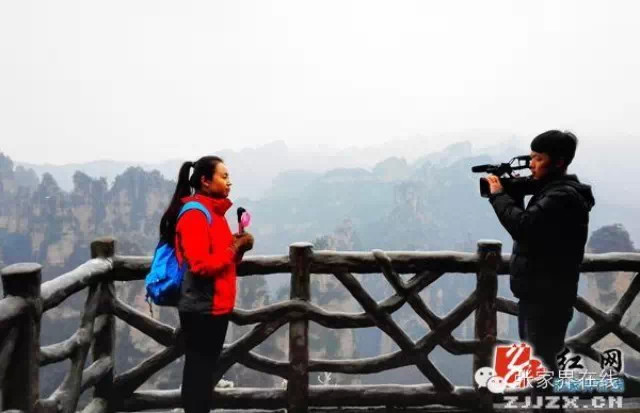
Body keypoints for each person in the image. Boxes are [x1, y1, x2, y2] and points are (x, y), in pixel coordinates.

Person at [486, 130, 595, 383]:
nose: (532, 165)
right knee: (541, 365)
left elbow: (523, 227)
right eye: (530, 158)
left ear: (558, 162)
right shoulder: (556, 191)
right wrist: (511, 190)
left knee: (542, 368)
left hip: (546, 297)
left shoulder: (561, 197)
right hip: (542, 293)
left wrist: (498, 195)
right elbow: (534, 227)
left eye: (538, 159)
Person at [159, 156, 254, 413]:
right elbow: (201, 265)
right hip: (201, 309)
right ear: (204, 180)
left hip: (214, 307)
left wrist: (239, 244)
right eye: (223, 176)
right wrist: (235, 246)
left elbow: (222, 257)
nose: (229, 182)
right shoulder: (194, 215)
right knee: (198, 378)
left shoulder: (214, 213)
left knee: (203, 374)